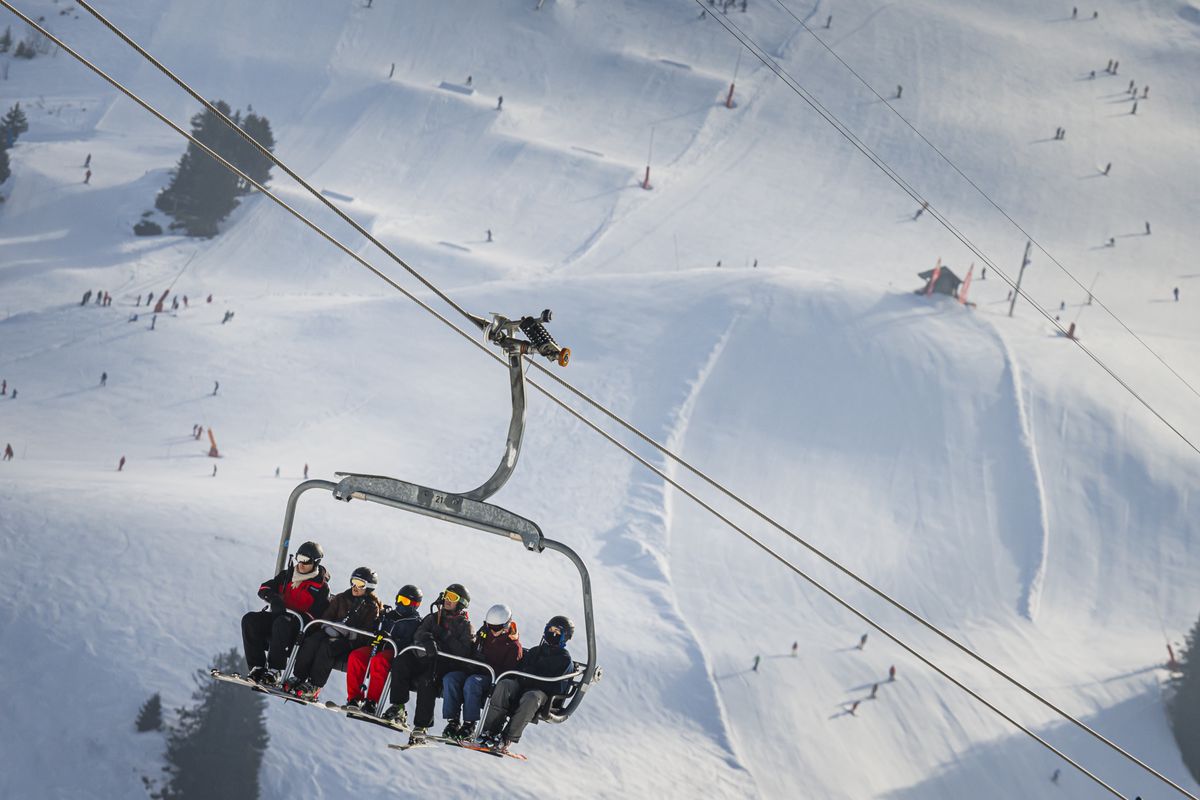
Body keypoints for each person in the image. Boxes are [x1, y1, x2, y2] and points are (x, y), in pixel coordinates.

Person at [382, 583, 473, 739]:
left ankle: (421, 725)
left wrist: (444, 637)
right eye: (446, 595)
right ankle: (398, 707)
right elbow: (419, 632)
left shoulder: (465, 626)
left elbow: (464, 651)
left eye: (452, 597)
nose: (447, 600)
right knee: (401, 662)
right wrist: (427, 639)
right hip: (422, 657)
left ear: (461, 602)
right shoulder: (433, 617)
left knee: (427, 681)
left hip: (442, 663)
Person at [477, 615, 575, 753]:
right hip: (523, 686)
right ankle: (489, 731)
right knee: (505, 685)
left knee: (531, 697)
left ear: (565, 637)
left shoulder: (564, 660)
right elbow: (520, 670)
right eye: (551, 629)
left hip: (542, 694)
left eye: (558, 632)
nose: (553, 633)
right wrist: (526, 677)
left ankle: (507, 737)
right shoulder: (535, 651)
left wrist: (534, 679)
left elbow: (557, 687)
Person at [285, 567, 382, 700]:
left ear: (369, 587)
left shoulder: (371, 607)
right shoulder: (342, 597)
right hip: (330, 632)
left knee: (328, 646)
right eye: (353, 582)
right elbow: (327, 616)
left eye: (360, 584)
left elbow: (367, 632)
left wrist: (350, 633)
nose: (355, 587)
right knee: (312, 641)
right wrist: (328, 627)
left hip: (350, 641)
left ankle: (315, 685)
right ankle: (298, 677)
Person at [241, 541, 331, 685]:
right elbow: (264, 588)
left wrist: (295, 616)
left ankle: (275, 670)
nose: (301, 564)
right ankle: (257, 667)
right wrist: (274, 599)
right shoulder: (287, 575)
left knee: (282, 622)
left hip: (298, 627)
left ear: (316, 562)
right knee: (250, 620)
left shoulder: (321, 587)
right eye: (299, 558)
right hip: (278, 617)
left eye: (306, 561)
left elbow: (317, 616)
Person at [442, 604, 523, 741]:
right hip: (474, 671)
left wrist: (484, 665)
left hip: (491, 678)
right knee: (450, 678)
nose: (492, 631)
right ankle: (453, 722)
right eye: (489, 626)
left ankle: (469, 724)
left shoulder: (513, 646)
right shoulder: (484, 634)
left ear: (506, 625)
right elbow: (473, 651)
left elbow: (509, 673)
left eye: (496, 628)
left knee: (472, 683)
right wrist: (471, 662)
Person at [345, 584, 423, 714]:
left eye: (405, 601)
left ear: (415, 605)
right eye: (399, 599)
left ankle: (372, 702)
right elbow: (374, 628)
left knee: (379, 661)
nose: (400, 604)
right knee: (356, 656)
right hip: (378, 647)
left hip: (394, 652)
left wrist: (391, 639)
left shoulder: (415, 622)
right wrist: (375, 632)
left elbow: (409, 643)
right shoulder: (388, 615)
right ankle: (354, 698)